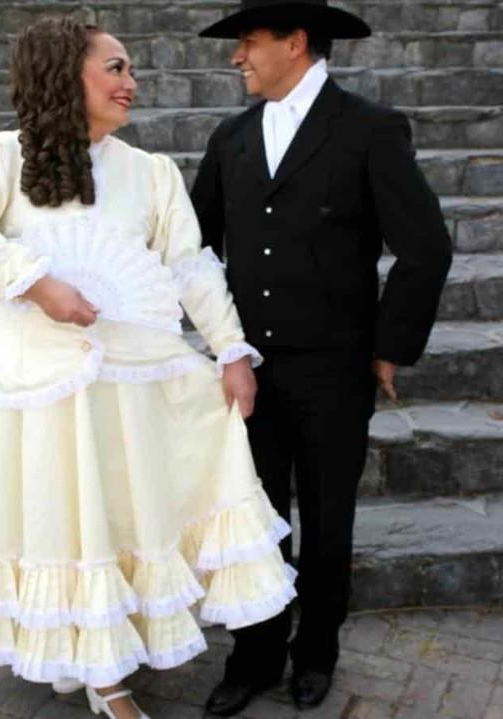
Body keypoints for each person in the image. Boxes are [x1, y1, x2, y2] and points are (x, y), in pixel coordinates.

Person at [0, 18, 297, 718]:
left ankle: (106, 654)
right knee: (64, 520)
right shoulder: (1, 157)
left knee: (121, 516)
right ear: (68, 77)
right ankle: (99, 672)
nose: (132, 82)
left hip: (131, 377)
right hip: (43, 383)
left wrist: (231, 347)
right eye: (116, 68)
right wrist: (35, 281)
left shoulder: (149, 172)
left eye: (131, 69)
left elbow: (189, 265)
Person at [190, 2, 452, 714]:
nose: (237, 57)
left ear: (295, 41)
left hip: (335, 367)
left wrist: (389, 347)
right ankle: (255, 653)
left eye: (248, 42)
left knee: (329, 517)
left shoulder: (368, 128)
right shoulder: (233, 135)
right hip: (248, 368)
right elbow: (194, 249)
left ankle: (318, 650)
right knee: (255, 515)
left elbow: (426, 247)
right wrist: (214, 342)